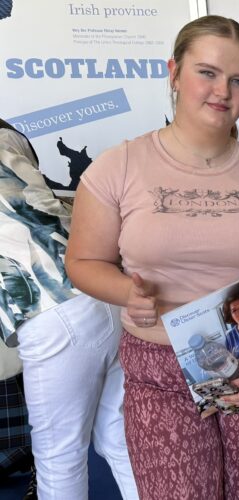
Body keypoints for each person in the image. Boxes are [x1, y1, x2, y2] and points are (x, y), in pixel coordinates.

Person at [65, 16, 239, 499]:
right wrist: (125, 293)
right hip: (159, 368)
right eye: (207, 72)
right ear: (174, 73)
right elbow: (82, 262)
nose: (223, 90)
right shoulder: (117, 166)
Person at [0, 119, 137, 500]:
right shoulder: (7, 139)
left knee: (59, 457)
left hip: (51, 309)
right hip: (102, 290)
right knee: (118, 438)